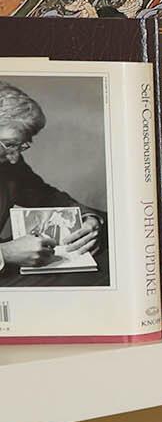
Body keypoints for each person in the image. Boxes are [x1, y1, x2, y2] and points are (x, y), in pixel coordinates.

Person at [0, 80, 98, 278]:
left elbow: (48, 196)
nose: (15, 159)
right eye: (9, 144)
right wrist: (5, 253)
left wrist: (89, 219)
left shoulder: (10, 166)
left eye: (22, 146)